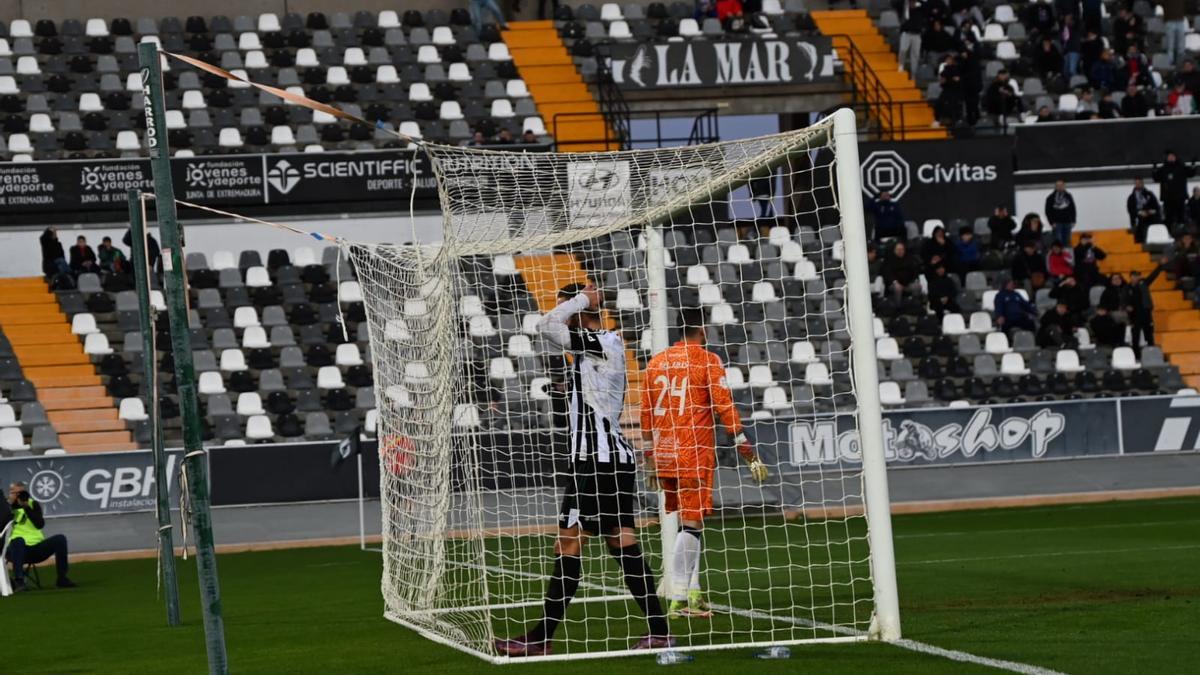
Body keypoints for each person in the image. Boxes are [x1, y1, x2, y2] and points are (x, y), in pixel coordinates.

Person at [495, 282, 671, 656]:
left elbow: (546, 325)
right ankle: (659, 630)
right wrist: (567, 390)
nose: (563, 312)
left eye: (568, 307)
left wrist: (579, 300)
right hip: (609, 462)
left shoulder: (604, 341)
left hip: (594, 463)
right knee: (621, 542)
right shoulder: (597, 351)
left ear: (580, 311)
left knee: (569, 542)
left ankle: (541, 639)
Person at [640, 308, 768, 619]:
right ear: (702, 331)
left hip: (664, 453)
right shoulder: (706, 360)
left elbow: (645, 412)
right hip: (692, 453)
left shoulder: (656, 362)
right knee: (693, 523)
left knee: (688, 521)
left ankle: (693, 593)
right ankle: (679, 598)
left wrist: (649, 459)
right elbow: (725, 405)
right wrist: (747, 450)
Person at [3, 482, 75, 592]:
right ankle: (19, 581)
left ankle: (62, 578)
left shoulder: (33, 504)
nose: (18, 496)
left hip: (36, 549)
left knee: (60, 539)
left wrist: (26, 507)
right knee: (18, 540)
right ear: (10, 493)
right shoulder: (5, 507)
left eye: (21, 493)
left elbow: (40, 524)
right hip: (14, 550)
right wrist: (10, 505)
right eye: (15, 493)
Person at [1128, 262, 1166, 357]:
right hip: (1135, 314)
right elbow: (1124, 299)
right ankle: (1136, 355)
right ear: (1130, 277)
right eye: (1134, 276)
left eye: (1137, 276)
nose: (1136, 277)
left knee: (1149, 334)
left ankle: (1152, 353)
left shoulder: (1144, 283)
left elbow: (1153, 275)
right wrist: (1126, 306)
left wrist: (1160, 265)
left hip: (1146, 312)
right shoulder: (1127, 287)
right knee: (1135, 335)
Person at [1152, 151, 1197, 228]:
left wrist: (1193, 165)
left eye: (1173, 156)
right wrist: (1155, 168)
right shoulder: (1163, 169)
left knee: (1181, 218)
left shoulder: (1181, 167)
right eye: (1169, 156)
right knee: (1169, 218)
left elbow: (1191, 173)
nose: (1171, 158)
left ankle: (1181, 232)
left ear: (1175, 157)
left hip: (1180, 197)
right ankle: (1169, 233)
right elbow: (1156, 178)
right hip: (1167, 198)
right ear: (1167, 158)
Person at [881, 240, 922, 304]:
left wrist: (916, 280)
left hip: (907, 284)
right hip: (894, 284)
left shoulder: (909, 258)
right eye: (898, 249)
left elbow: (914, 271)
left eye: (902, 249)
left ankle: (915, 305)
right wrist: (895, 282)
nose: (900, 251)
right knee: (898, 288)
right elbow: (888, 273)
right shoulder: (889, 260)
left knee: (917, 286)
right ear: (894, 250)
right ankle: (898, 307)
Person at [1127, 178, 1163, 242]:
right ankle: (1145, 239)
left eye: (1139, 183)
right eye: (1136, 183)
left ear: (1143, 183)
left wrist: (1151, 211)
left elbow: (1156, 207)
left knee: (1155, 219)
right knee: (1143, 222)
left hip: (1151, 215)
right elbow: (1131, 210)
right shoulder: (1131, 197)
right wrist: (1139, 212)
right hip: (1140, 216)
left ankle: (1157, 238)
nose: (1138, 185)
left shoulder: (1150, 194)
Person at [1044, 180, 1077, 249]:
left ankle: (1066, 257)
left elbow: (1073, 208)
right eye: (1058, 186)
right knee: (1058, 241)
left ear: (1064, 186)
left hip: (1068, 222)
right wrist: (1051, 222)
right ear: (1055, 187)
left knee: (1067, 242)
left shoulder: (1068, 196)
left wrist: (1073, 220)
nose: (1060, 187)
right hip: (1057, 223)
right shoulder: (1050, 198)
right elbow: (1048, 211)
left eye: (1061, 185)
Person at [896, 0, 927, 74]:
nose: (912, 3)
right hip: (906, 33)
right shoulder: (904, 6)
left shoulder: (921, 7)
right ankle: (901, 66)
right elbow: (896, 4)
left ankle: (914, 72)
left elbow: (927, 7)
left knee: (915, 55)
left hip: (917, 34)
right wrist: (906, 4)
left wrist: (918, 4)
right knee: (903, 50)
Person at [1163, 0, 1188, 67]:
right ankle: (1170, 65)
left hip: (1180, 20)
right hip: (1170, 20)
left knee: (1181, 45)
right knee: (1170, 45)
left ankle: (1181, 63)